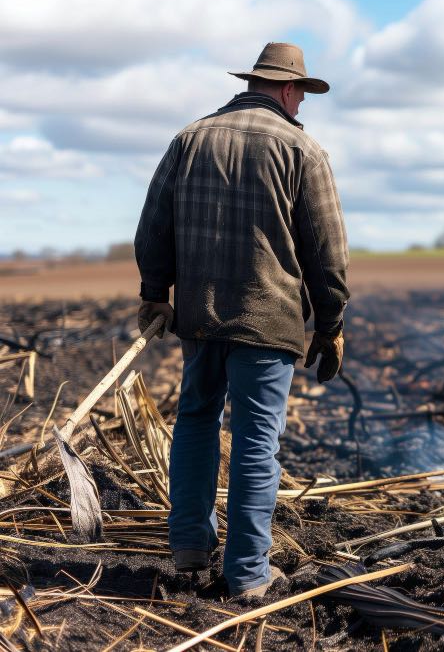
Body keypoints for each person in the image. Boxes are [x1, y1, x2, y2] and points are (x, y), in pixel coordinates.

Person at [133, 42, 349, 598]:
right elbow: (328, 253)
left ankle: (188, 551)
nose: (301, 103)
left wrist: (156, 294)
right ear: (286, 88)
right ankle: (248, 574)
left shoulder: (190, 138)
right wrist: (330, 323)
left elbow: (153, 223)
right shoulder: (304, 151)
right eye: (301, 92)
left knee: (197, 422)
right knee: (257, 442)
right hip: (269, 320)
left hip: (200, 316)